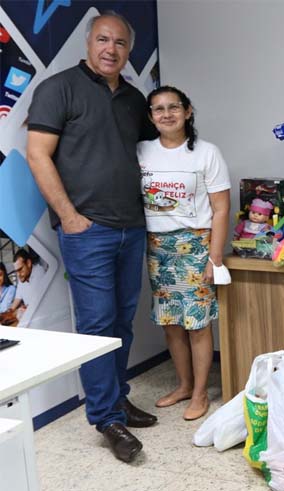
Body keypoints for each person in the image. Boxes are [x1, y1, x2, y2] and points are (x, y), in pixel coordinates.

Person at [26, 11, 159, 463]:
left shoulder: (134, 98)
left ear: (128, 51)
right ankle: (106, 419)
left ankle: (117, 399)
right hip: (88, 231)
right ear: (88, 43)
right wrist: (69, 216)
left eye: (120, 43)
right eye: (103, 39)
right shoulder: (58, 88)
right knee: (96, 327)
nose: (111, 49)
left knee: (121, 323)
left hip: (131, 227)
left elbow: (149, 153)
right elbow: (38, 155)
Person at [139, 85, 231, 421]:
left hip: (195, 246)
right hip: (158, 247)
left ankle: (200, 393)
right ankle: (182, 385)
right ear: (151, 116)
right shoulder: (142, 152)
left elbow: (221, 209)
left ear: (188, 111)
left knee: (197, 324)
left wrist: (214, 257)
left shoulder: (207, 153)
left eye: (173, 107)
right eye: (158, 109)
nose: (166, 114)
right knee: (171, 324)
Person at [7, 248, 46, 322]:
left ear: (28, 263)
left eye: (20, 269)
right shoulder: (23, 277)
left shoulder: (39, 272)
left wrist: (18, 311)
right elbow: (18, 298)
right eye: (16, 271)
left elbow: (36, 303)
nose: (18, 275)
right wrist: (9, 311)